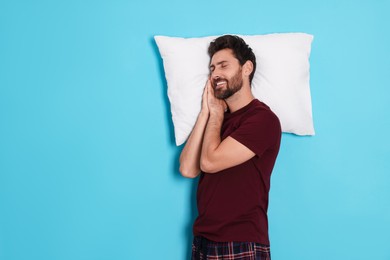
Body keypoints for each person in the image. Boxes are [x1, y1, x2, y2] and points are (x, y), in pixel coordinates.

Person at [179, 35, 282, 260]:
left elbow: (209, 162)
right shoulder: (217, 121)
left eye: (224, 65)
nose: (215, 73)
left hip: (240, 240)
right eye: (212, 68)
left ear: (247, 68)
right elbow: (188, 169)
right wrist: (206, 112)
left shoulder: (263, 119)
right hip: (204, 237)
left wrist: (215, 113)